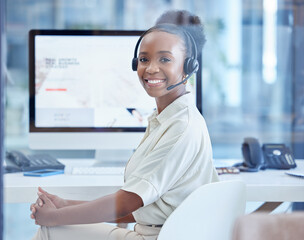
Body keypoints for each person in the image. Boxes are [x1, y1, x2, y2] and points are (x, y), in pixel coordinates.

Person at [30, 10, 219, 240]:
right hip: (160, 232)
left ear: (189, 66)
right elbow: (146, 208)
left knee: (50, 229)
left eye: (165, 59)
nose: (150, 68)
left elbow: (127, 202)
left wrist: (54, 218)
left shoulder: (181, 127)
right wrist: (65, 205)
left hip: (161, 237)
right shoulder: (165, 118)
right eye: (144, 59)